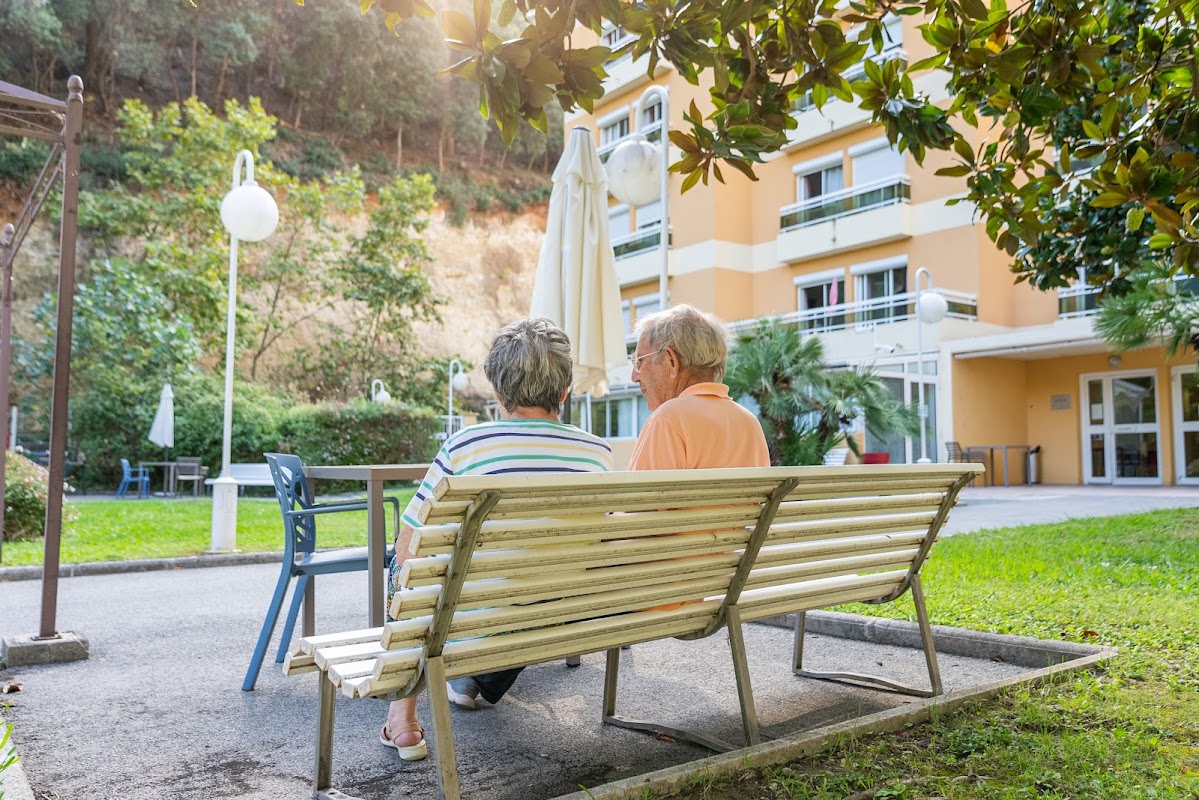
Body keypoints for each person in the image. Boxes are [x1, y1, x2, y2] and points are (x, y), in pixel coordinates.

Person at [379, 317, 613, 762]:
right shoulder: (597, 453)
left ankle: (402, 717)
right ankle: (473, 681)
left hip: (475, 622)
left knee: (403, 565)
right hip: (562, 615)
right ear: (564, 392)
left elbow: (409, 545)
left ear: (499, 392)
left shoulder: (468, 445)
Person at [628, 304, 769, 471]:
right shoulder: (749, 422)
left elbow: (641, 496)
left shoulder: (668, 419)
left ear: (671, 361)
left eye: (639, 362)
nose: (634, 377)